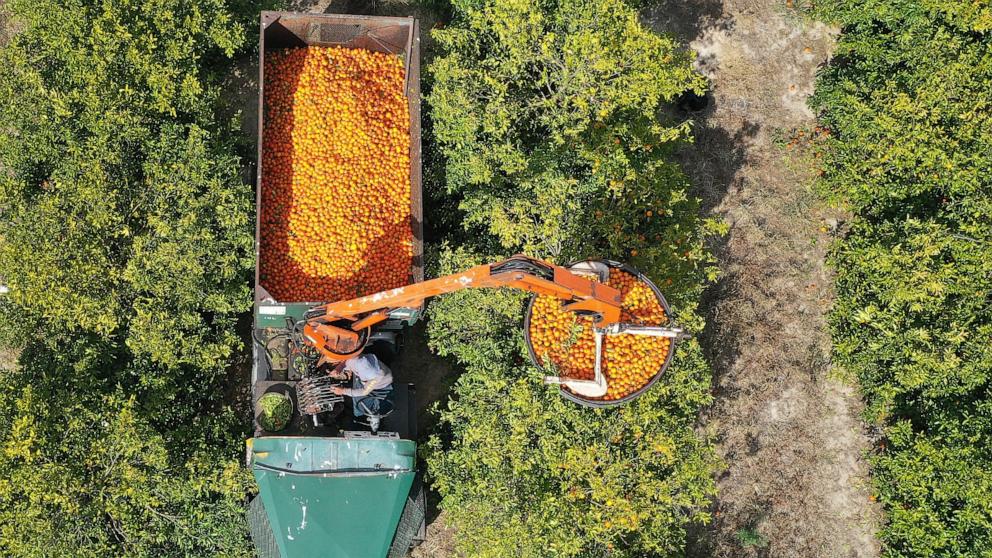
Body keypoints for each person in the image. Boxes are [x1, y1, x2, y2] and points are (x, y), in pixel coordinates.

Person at [329, 352, 393, 417]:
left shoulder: (373, 374)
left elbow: (364, 391)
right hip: (365, 379)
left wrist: (343, 391)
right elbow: (348, 362)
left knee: (358, 412)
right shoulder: (356, 358)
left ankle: (372, 414)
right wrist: (340, 368)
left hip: (379, 387)